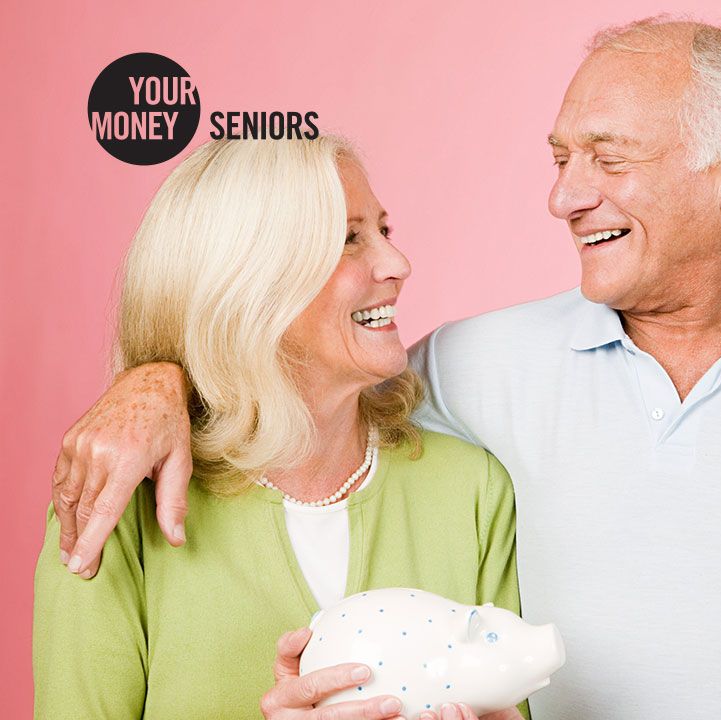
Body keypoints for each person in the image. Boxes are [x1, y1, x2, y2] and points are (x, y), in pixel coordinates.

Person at [48, 18, 721, 717]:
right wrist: (156, 381)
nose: (563, 196)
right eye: (560, 157)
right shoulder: (475, 365)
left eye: (607, 160)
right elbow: (285, 367)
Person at [34, 136, 525, 720]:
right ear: (248, 282)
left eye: (384, 231)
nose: (398, 264)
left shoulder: (472, 489)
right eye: (348, 239)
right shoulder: (115, 504)